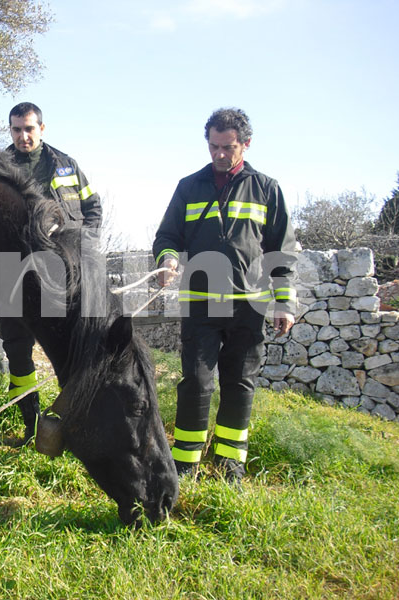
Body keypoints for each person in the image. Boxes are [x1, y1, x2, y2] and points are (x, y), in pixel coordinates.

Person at [152, 107, 296, 482]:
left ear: (245, 144)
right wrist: (167, 259)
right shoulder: (189, 186)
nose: (218, 154)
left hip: (249, 304)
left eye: (227, 147)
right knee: (196, 381)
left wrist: (284, 302)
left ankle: (230, 463)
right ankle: (185, 462)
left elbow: (281, 252)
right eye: (213, 146)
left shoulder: (267, 188)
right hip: (201, 302)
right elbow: (167, 236)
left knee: (239, 382)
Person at [0, 101, 103, 446]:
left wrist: (83, 246)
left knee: (67, 350)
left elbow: (93, 208)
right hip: (12, 273)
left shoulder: (66, 166)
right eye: (16, 129)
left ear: (42, 129)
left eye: (29, 128)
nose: (23, 136)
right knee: (17, 350)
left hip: (61, 274)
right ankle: (30, 427)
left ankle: (73, 426)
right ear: (10, 130)